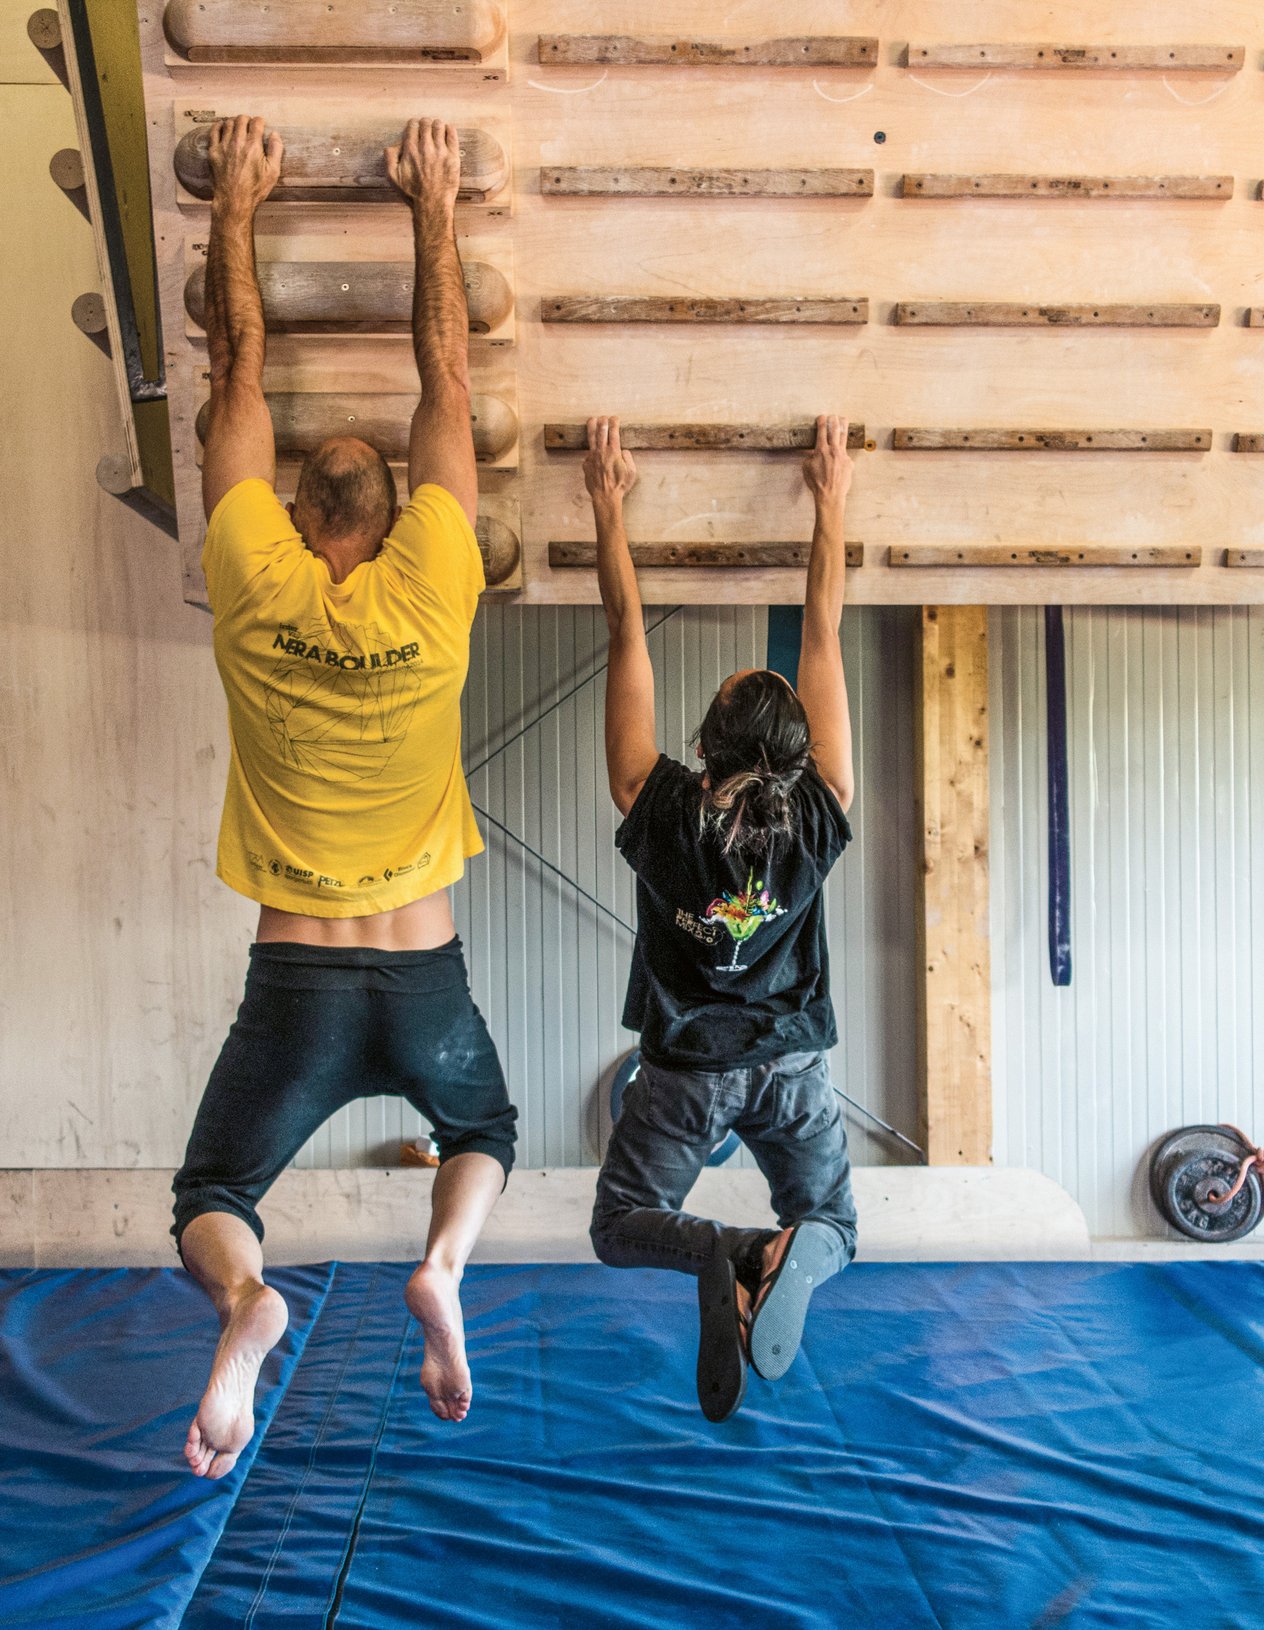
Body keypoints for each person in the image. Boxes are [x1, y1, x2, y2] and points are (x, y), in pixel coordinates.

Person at [172, 115, 516, 1479]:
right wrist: (435, 204)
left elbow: (235, 364)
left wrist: (237, 198)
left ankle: (253, 1303)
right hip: (420, 975)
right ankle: (442, 1261)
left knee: (216, 1194)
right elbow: (449, 368)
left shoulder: (250, 584)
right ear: (391, 517)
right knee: (479, 1129)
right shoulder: (439, 588)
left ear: (302, 522)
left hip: (297, 983)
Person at [586, 414, 858, 1421]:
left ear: (703, 744)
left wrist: (608, 509)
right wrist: (829, 503)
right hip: (791, 1067)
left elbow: (624, 630)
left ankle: (728, 1251)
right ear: (795, 752)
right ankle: (781, 1248)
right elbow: (823, 626)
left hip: (684, 1073)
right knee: (829, 1220)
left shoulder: (652, 802)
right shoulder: (824, 807)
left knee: (622, 1225)